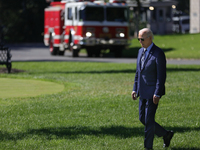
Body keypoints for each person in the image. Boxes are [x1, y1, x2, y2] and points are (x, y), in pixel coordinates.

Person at [131, 28, 174, 150]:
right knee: (142, 118)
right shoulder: (140, 51)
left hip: (152, 93)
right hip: (142, 91)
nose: (140, 41)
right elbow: (138, 72)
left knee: (149, 121)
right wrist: (135, 89)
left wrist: (157, 93)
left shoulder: (158, 53)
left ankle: (148, 147)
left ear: (150, 38)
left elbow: (161, 76)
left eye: (142, 39)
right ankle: (166, 134)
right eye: (138, 39)